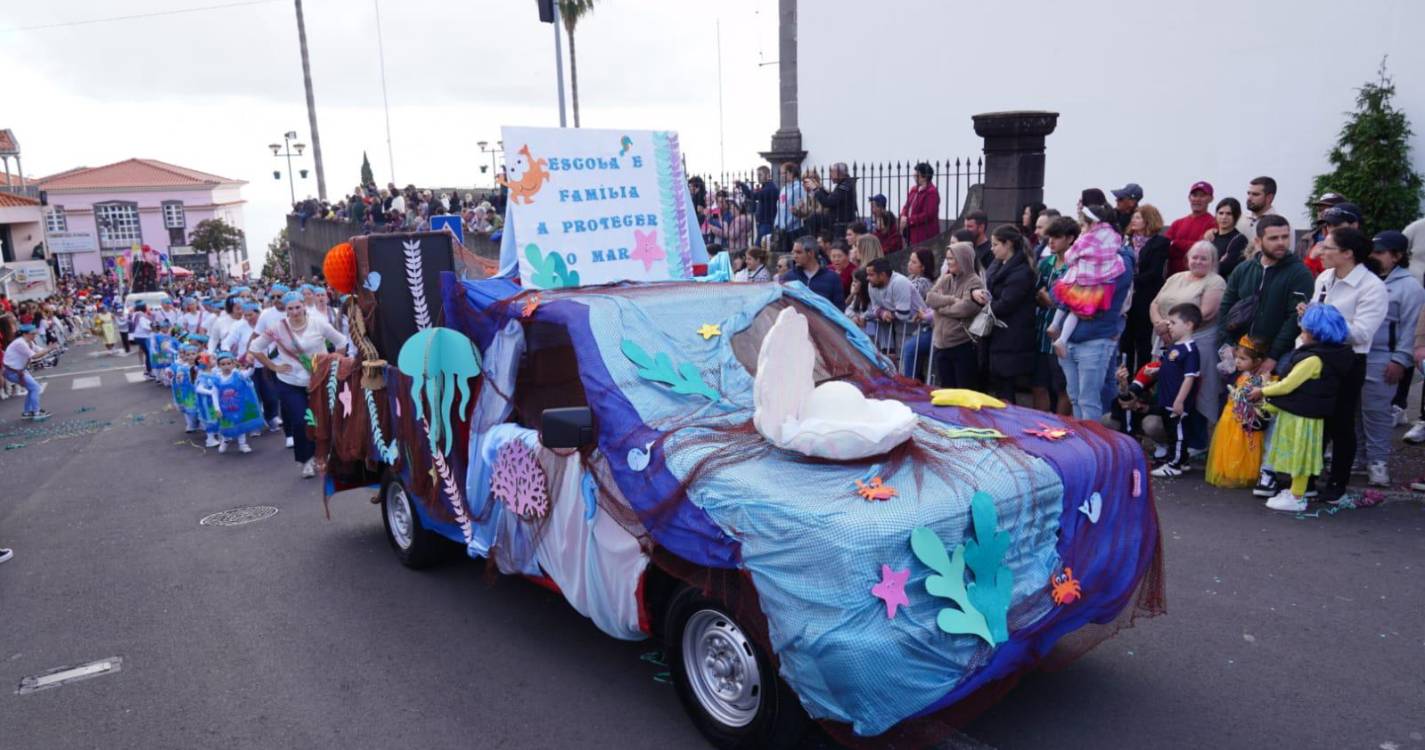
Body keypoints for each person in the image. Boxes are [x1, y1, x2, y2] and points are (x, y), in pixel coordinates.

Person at [1304, 226, 1387, 503]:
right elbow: (1313, 314)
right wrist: (1308, 320)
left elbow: (1362, 332)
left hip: (1348, 360)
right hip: (1316, 356)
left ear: (1348, 253)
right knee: (1314, 420)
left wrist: (1322, 325)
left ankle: (1338, 483)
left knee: (1340, 422)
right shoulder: (1324, 277)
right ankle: (1308, 477)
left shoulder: (1372, 286)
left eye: (1327, 247)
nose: (1320, 252)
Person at [1247, 304, 1354, 512]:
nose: (1301, 334)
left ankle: (1296, 496)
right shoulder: (1326, 354)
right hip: (1304, 413)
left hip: (1302, 417)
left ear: (1316, 333)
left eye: (1304, 331)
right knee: (1299, 456)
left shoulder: (1312, 359)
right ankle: (1296, 492)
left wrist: (1263, 391)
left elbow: (1288, 385)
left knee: (1299, 457)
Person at [248, 291, 349, 478]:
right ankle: (306, 460)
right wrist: (273, 366)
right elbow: (255, 347)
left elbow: (341, 342)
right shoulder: (278, 328)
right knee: (301, 420)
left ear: (303, 305)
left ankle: (327, 455)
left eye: (297, 307)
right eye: (290, 308)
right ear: (285, 310)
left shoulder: (318, 323)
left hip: (318, 380)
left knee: (323, 418)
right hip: (290, 381)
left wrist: (333, 363)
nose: (294, 312)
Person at [1218, 215, 1315, 405]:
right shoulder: (1243, 269)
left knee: (1263, 414)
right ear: (1257, 241)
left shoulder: (1300, 273)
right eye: (1273, 238)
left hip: (1278, 358)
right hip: (1240, 355)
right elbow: (1225, 308)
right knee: (1233, 409)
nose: (1281, 243)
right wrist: (1228, 344)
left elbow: (1295, 319)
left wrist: (1273, 357)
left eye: (1285, 237)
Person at [1356, 230, 1423, 487]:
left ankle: (1378, 462)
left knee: (1376, 413)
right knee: (1354, 410)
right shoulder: (1366, 278)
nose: (1373, 256)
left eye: (1380, 252)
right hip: (1358, 352)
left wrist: (1400, 360)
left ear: (1397, 256)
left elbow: (1410, 327)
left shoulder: (1410, 286)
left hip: (1384, 355)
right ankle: (1359, 457)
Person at [1151, 241, 1226, 443]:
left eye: (1204, 258)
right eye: (1195, 257)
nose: (1198, 261)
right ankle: (1170, 439)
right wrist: (1160, 324)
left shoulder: (1215, 282)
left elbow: (1205, 313)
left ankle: (1196, 441)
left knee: (1195, 390)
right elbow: (1155, 304)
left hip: (1198, 342)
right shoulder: (1175, 277)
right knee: (1169, 386)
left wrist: (1170, 327)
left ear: (1212, 261)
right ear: (1187, 259)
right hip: (1166, 338)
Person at [1048, 204, 1126, 356]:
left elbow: (1069, 256)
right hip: (1099, 284)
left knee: (1068, 304)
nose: (1081, 229)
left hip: (1081, 279)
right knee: (1076, 312)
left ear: (1092, 223)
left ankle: (1055, 325)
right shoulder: (1113, 236)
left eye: (1083, 225)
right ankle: (1062, 339)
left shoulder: (1086, 239)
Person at [972, 226, 1037, 402]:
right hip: (998, 333)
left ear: (1008, 244)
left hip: (1011, 334)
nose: (992, 249)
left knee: (1005, 387)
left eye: (995, 244)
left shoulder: (1021, 272)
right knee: (998, 383)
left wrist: (986, 303)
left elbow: (1007, 303)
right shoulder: (999, 265)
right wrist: (976, 294)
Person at [1148, 303, 1203, 478]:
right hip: (1167, 398)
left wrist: (1180, 400)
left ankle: (1175, 464)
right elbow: (1171, 368)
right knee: (1172, 431)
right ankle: (1182, 459)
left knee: (1177, 433)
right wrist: (1156, 372)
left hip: (1177, 400)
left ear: (1188, 325)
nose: (1169, 326)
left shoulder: (1190, 350)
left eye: (1173, 322)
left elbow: (1189, 377)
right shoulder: (1174, 345)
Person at [924, 242, 985, 389]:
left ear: (963, 259)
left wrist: (940, 308)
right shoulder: (946, 279)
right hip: (941, 346)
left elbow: (964, 308)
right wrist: (951, 299)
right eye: (947, 259)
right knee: (947, 391)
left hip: (961, 345)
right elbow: (930, 298)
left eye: (952, 258)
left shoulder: (974, 281)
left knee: (964, 391)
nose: (949, 262)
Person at [1032, 217, 1077, 414]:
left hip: (1062, 335)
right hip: (1041, 332)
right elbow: (1036, 293)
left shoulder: (1075, 267)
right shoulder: (1045, 263)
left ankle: (1060, 427)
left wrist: (1049, 299)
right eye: (1049, 237)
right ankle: (1039, 425)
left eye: (1057, 237)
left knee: (1062, 388)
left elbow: (1068, 302)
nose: (1051, 241)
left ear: (1070, 239)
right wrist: (1045, 298)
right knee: (1038, 384)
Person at [1120, 204, 1170, 375]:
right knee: (1125, 341)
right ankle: (1124, 378)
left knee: (1143, 341)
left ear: (1149, 220)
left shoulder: (1160, 243)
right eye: (1133, 217)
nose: (1134, 220)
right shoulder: (1125, 241)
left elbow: (1155, 272)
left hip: (1145, 296)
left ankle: (1141, 381)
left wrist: (1130, 280)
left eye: (1138, 217)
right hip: (1125, 297)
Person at [2, 323, 55, 421]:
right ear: (25, 334)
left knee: (32, 389)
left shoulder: (29, 342)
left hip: (19, 371)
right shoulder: (20, 343)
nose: (35, 335)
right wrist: (48, 349)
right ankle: (36, 412)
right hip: (12, 372)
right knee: (35, 388)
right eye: (33, 334)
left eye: (35, 333)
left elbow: (39, 350)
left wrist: (50, 349)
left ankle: (27, 412)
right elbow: (34, 356)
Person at [1164, 181, 1217, 275]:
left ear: (1211, 199)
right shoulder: (1177, 223)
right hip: (1173, 278)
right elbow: (1164, 246)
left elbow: (1201, 250)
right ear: (1189, 198)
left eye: (1202, 196)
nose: (1197, 199)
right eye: (1194, 195)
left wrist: (1175, 243)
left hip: (1199, 278)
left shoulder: (1213, 223)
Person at [900, 249, 937, 380]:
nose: (909, 264)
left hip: (927, 326)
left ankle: (909, 384)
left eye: (914, 262)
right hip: (917, 327)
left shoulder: (923, 283)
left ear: (923, 267)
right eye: (910, 260)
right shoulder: (910, 279)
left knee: (909, 348)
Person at [780, 237, 845, 310]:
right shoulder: (789, 277)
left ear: (810, 253)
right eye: (793, 253)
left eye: (798, 252)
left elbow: (839, 309)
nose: (794, 256)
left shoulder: (832, 278)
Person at [806, 163, 857, 237]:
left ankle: (813, 240)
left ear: (838, 173)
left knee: (814, 218)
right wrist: (819, 188)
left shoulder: (845, 186)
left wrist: (815, 189)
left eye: (832, 172)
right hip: (837, 218)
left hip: (841, 220)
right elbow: (831, 197)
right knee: (813, 218)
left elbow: (828, 202)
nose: (830, 175)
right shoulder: (845, 183)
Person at [1205, 197, 1250, 280]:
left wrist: (1206, 264)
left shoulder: (1239, 240)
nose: (1224, 217)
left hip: (1223, 284)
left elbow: (1225, 268)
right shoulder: (1211, 236)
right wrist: (1217, 263)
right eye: (1221, 213)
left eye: (1229, 214)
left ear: (1237, 216)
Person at [899, 163, 941, 246]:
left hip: (924, 233)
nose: (914, 178)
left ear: (924, 177)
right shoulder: (914, 189)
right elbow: (906, 206)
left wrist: (909, 220)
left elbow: (928, 214)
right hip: (911, 232)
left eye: (917, 176)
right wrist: (903, 216)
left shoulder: (931, 192)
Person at [738, 166, 779, 243]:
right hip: (763, 222)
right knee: (760, 246)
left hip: (766, 223)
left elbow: (752, 196)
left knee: (761, 246)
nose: (758, 177)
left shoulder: (770, 189)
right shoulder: (766, 187)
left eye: (760, 175)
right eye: (757, 175)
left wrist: (743, 185)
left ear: (768, 175)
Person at [774, 162, 806, 254]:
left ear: (791, 173)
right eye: (780, 173)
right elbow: (780, 208)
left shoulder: (798, 188)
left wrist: (787, 224)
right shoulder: (784, 189)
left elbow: (799, 208)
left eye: (783, 173)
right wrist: (777, 224)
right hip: (781, 230)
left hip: (793, 229)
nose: (781, 176)